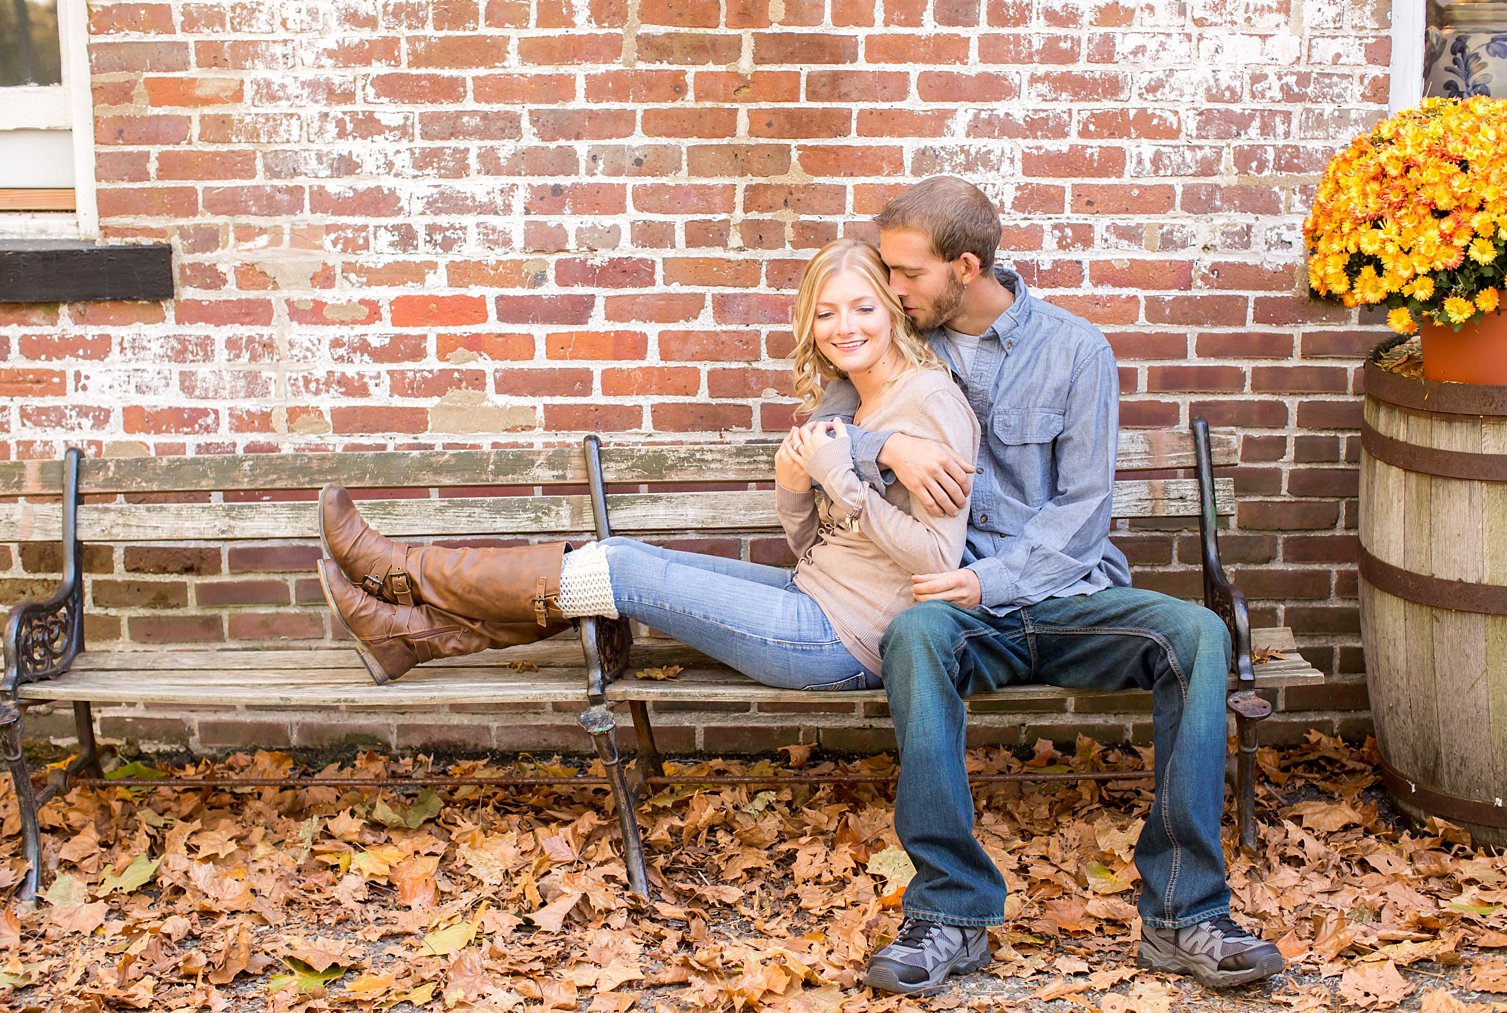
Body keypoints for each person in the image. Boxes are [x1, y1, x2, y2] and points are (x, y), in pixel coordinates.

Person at [806, 178, 1283, 994]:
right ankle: (948, 913)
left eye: (906, 273)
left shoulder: (1074, 351)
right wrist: (886, 446)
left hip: (1066, 598)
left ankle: (1185, 913)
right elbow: (824, 440)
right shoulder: (895, 343)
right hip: (954, 615)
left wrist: (988, 580)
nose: (890, 289)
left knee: (1199, 634)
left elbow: (1083, 515)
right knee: (914, 635)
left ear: (966, 265)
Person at [314, 238, 980, 698]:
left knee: (622, 573)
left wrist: (841, 478)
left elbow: (936, 563)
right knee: (617, 555)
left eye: (863, 307)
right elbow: (813, 548)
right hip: (809, 597)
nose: (845, 326)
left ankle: (401, 572)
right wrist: (794, 485)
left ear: (892, 311)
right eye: (827, 312)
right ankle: (408, 636)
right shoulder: (856, 400)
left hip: (841, 644)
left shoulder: (930, 403)